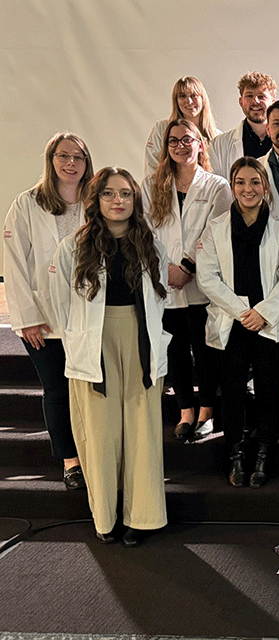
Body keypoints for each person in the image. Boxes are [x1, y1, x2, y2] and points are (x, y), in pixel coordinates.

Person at [49, 167, 170, 547]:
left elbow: (158, 299)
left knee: (141, 431)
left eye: (125, 194)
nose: (118, 200)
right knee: (101, 436)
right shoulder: (73, 246)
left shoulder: (151, 243)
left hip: (139, 341)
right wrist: (80, 339)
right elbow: (58, 304)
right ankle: (106, 516)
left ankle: (142, 516)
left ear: (135, 200)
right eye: (109, 193)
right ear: (96, 199)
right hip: (93, 346)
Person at [3, 133, 93, 489]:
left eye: (78, 157)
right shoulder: (27, 204)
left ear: (87, 163)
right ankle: (71, 461)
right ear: (51, 159)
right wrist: (25, 318)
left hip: (87, 315)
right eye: (63, 156)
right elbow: (13, 264)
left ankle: (93, 453)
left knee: (87, 389)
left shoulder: (95, 201)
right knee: (57, 389)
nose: (71, 163)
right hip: (44, 320)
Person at [196, 157, 279, 488]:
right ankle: (236, 452)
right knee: (233, 391)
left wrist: (263, 311)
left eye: (254, 182)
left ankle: (264, 452)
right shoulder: (216, 227)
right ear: (232, 186)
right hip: (232, 322)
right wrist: (242, 312)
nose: (247, 189)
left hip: (269, 322)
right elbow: (207, 277)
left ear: (265, 187)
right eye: (241, 182)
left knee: (269, 390)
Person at [143, 118, 232, 441]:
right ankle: (185, 411)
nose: (181, 146)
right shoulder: (151, 186)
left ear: (200, 144)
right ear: (166, 148)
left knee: (204, 350)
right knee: (175, 350)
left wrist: (187, 266)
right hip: (165, 283)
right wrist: (167, 269)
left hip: (201, 283)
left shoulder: (217, 186)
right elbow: (146, 233)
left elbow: (215, 231)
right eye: (174, 141)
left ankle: (207, 411)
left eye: (187, 139)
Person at [209, 72, 279, 178]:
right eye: (249, 96)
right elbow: (214, 189)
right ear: (241, 102)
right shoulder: (218, 145)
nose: (255, 101)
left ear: (273, 103)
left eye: (261, 96)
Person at [145, 77, 220, 176]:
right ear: (176, 101)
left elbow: (221, 175)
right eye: (182, 96)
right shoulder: (161, 129)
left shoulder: (218, 137)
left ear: (203, 98)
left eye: (194, 96)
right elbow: (152, 168)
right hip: (167, 190)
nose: (189, 101)